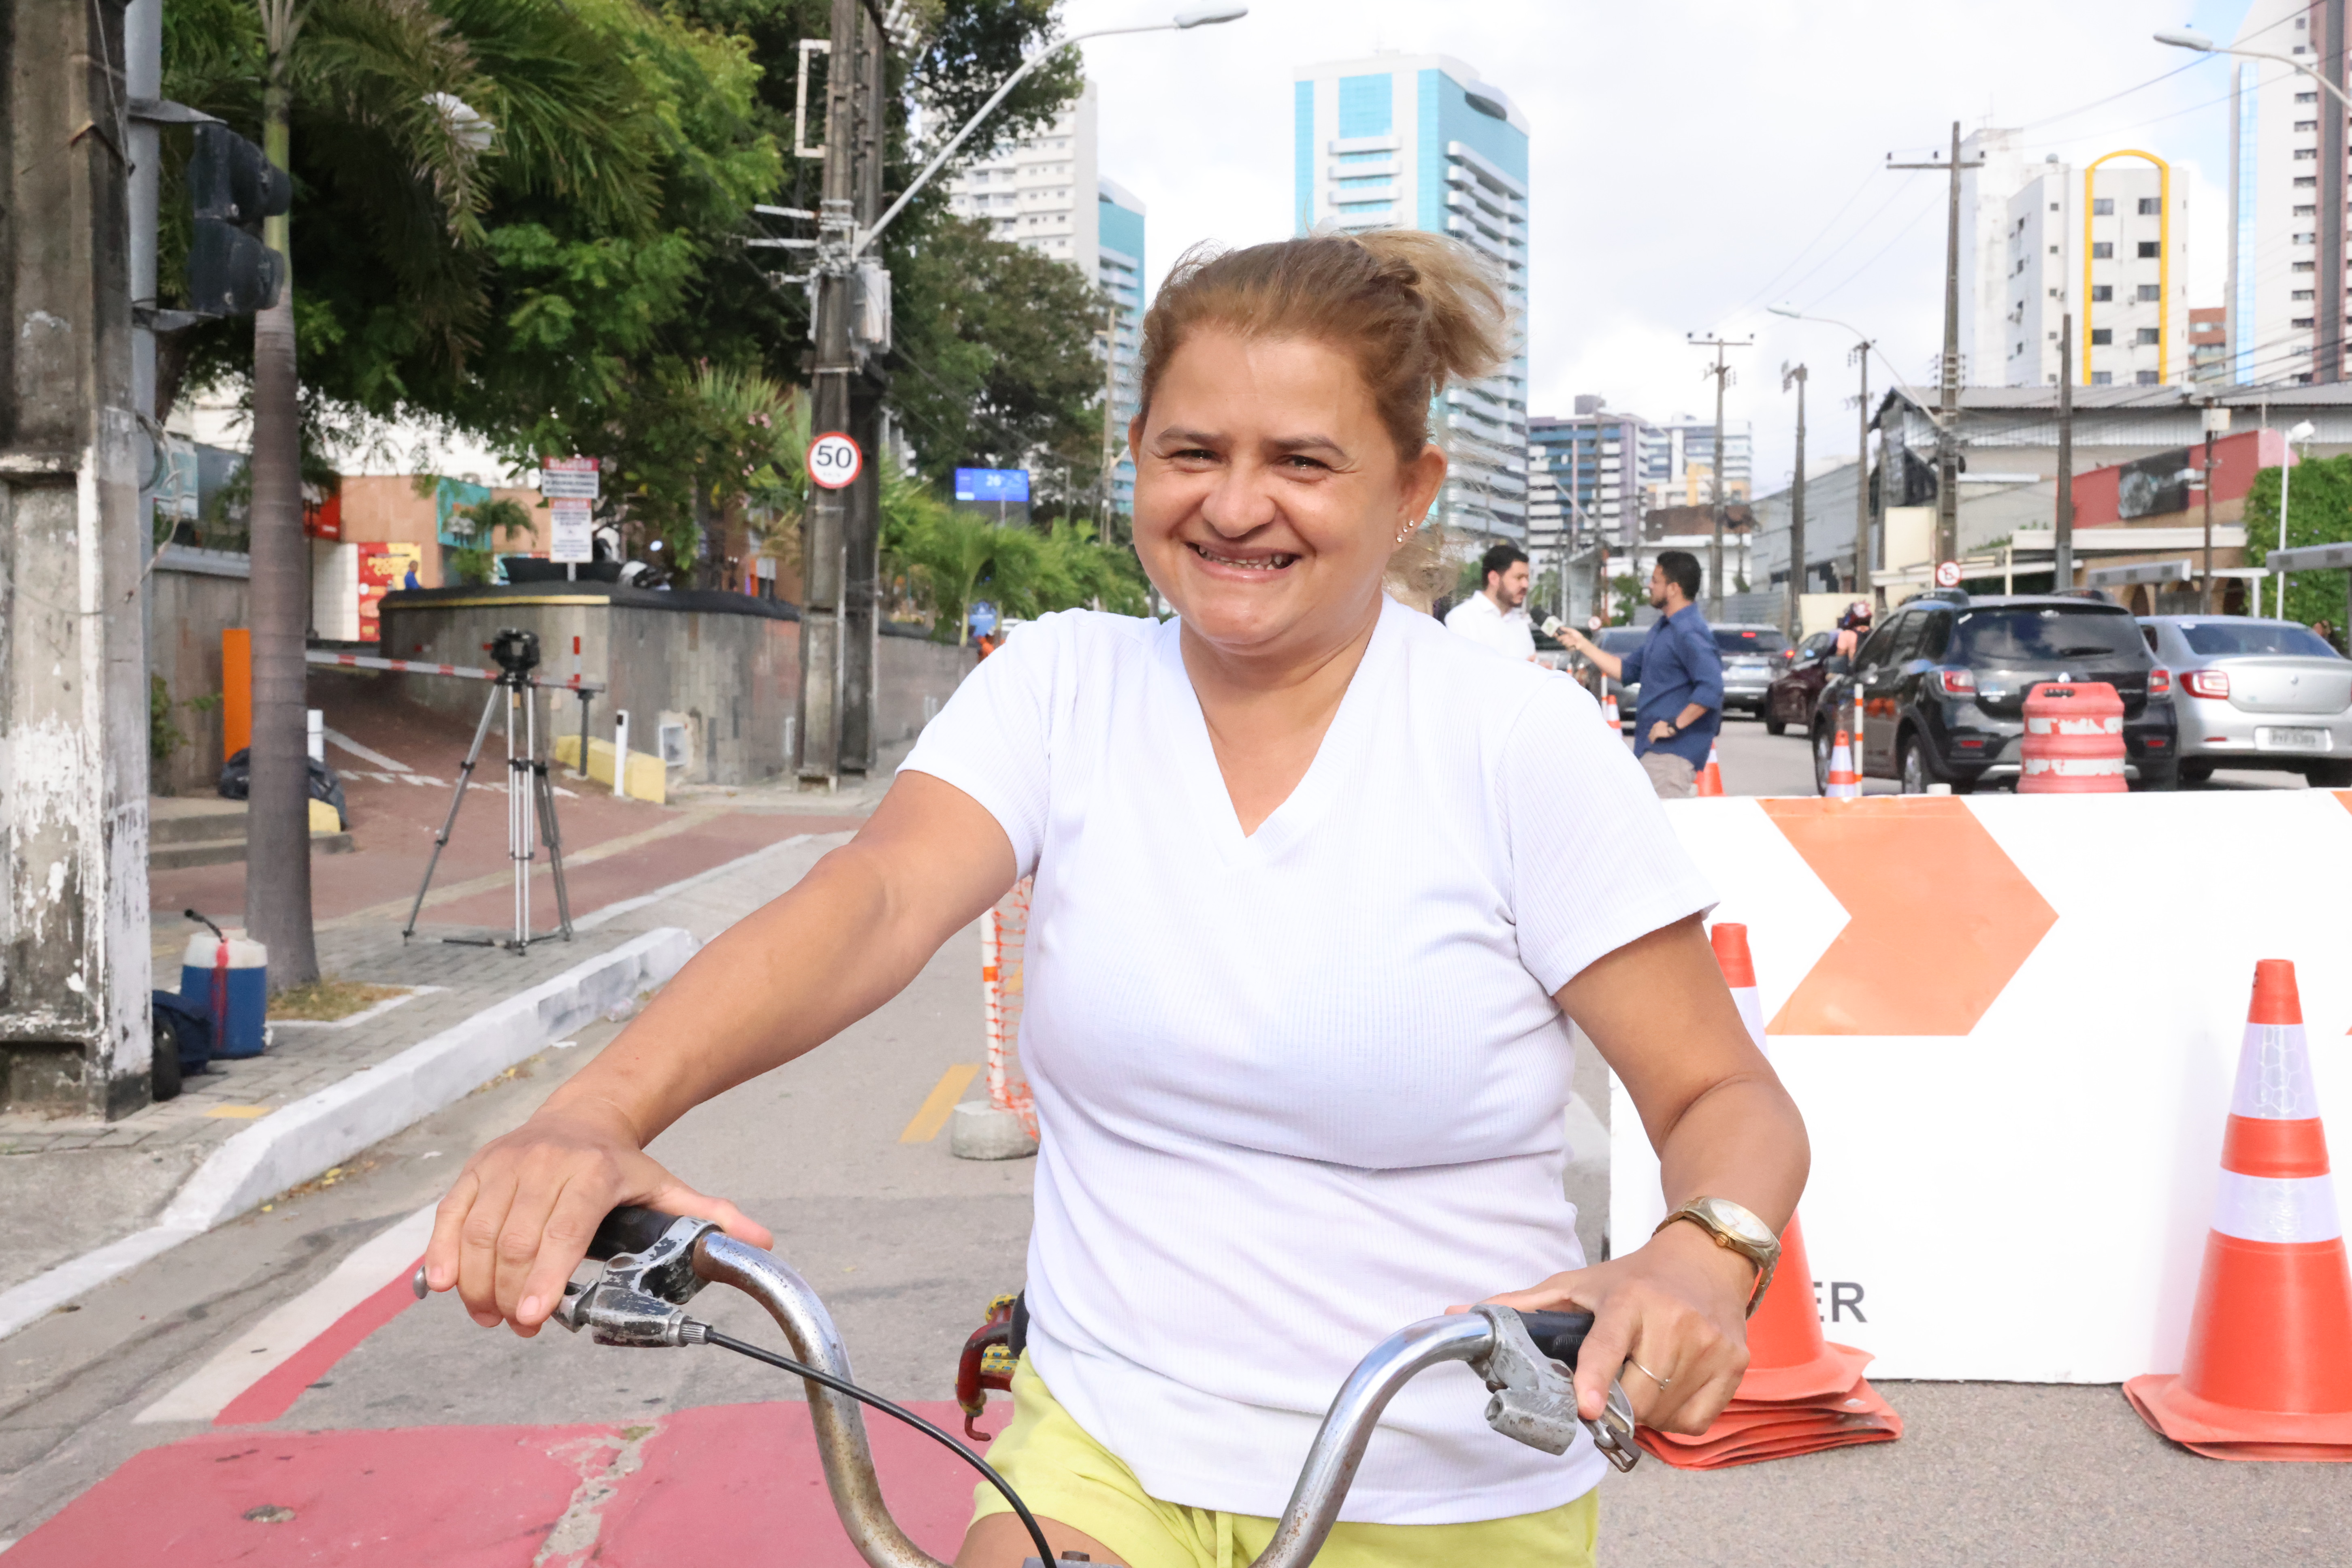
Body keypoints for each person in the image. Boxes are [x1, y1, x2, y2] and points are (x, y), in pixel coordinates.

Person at [421, 232, 1808, 1568]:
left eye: (1302, 462)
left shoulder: (1514, 741)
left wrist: (1699, 1256)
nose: (1232, 504)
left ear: (1410, 489)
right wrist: (593, 1116)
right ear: (1134, 460)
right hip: (1101, 1451)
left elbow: (1719, 1100)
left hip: (1440, 1476)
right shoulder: (1061, 684)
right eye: (1189, 452)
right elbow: (874, 898)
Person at [1560, 552, 1724, 799]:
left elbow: (1711, 689)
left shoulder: (1689, 631)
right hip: (1653, 750)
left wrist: (1673, 726)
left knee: (1659, 831)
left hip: (1673, 755)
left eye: (1655, 581)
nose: (1650, 585)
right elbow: (1625, 671)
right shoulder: (1663, 629)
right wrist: (1583, 644)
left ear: (1673, 589)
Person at [1444, 541, 1535, 659]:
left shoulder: (1520, 623)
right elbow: (1465, 671)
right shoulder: (1462, 618)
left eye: (1527, 578)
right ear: (1494, 578)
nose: (1525, 585)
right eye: (1519, 578)